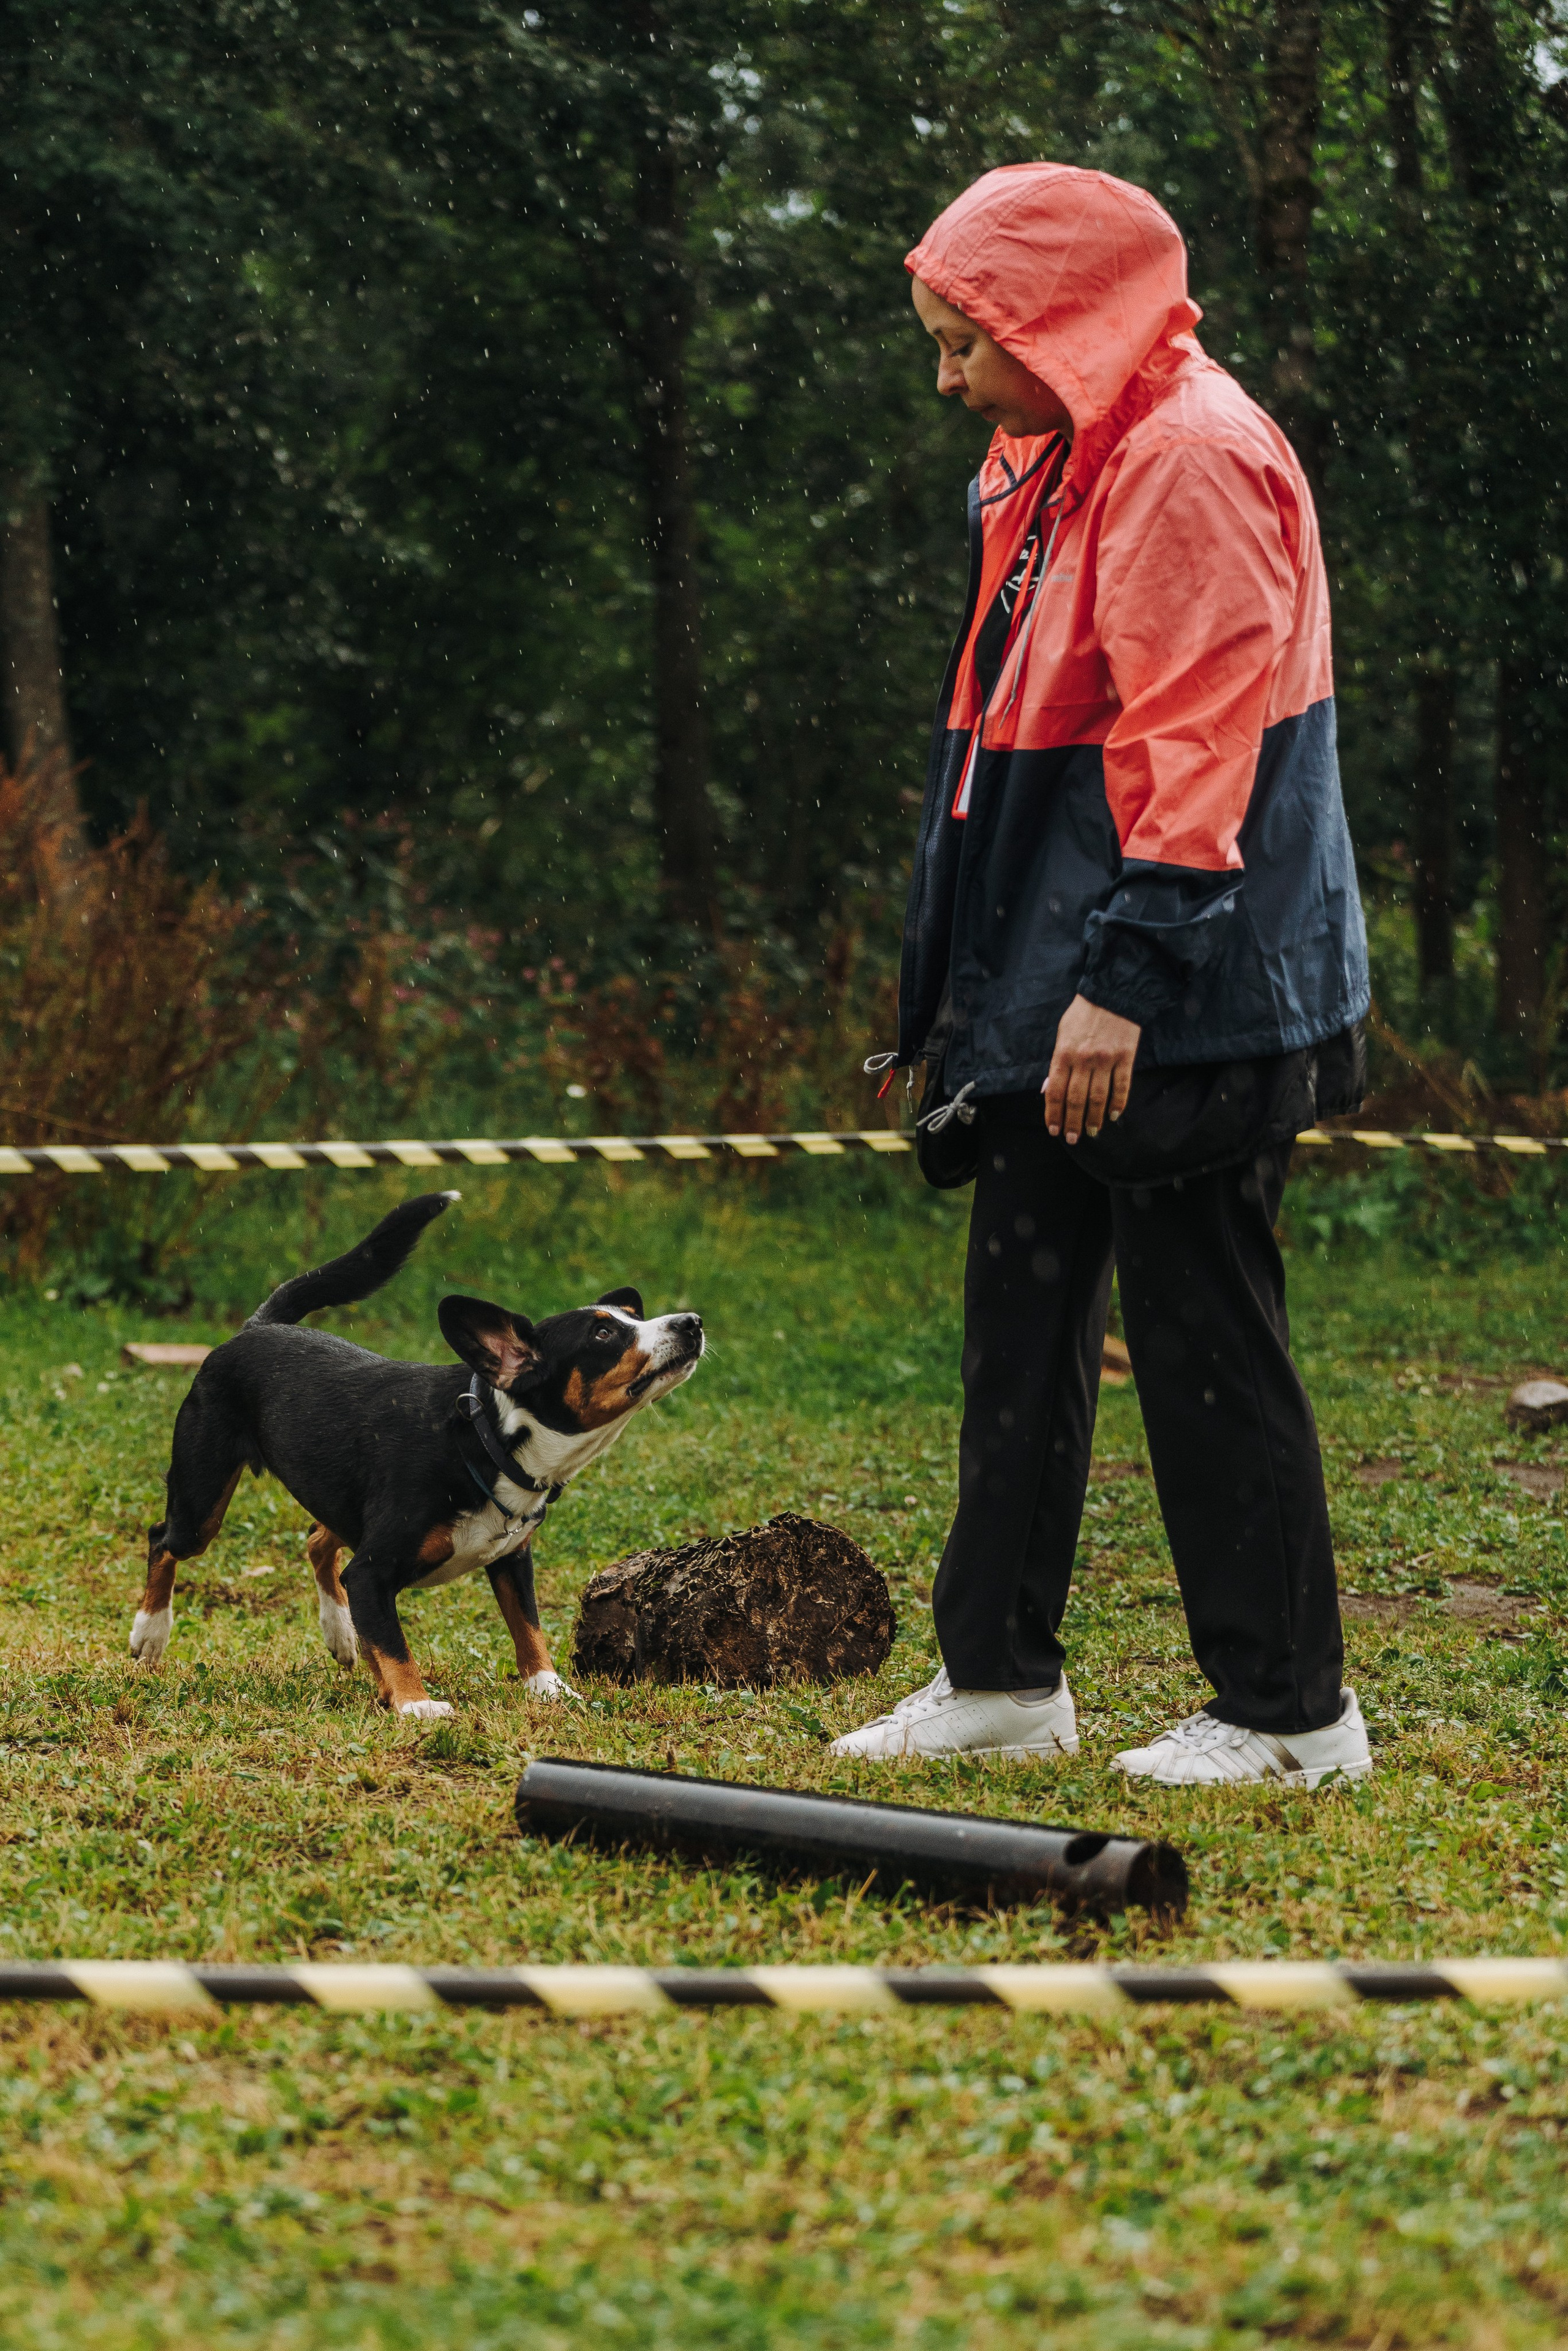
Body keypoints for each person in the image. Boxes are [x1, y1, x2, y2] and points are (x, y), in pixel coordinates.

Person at [832, 163, 1373, 1787]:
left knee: (1207, 1336)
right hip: (1046, 982)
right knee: (1024, 1320)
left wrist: (1123, 982)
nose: (946, 379)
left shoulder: (1187, 459)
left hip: (1185, 987)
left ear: (1057, 319)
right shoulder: (1063, 449)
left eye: (961, 342)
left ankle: (1292, 1718)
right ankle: (998, 1681)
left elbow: (1193, 756)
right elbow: (1013, 741)